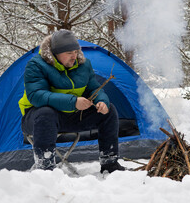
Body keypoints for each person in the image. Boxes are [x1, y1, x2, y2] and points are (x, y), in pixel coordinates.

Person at [19, 29, 125, 173]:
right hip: (37, 119)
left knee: (110, 110)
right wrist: (73, 101)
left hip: (73, 116)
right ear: (55, 53)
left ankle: (110, 164)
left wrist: (101, 101)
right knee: (45, 113)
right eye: (69, 53)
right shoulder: (36, 65)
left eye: (75, 51)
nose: (74, 56)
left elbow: (94, 88)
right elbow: (37, 95)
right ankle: (45, 169)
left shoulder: (84, 64)